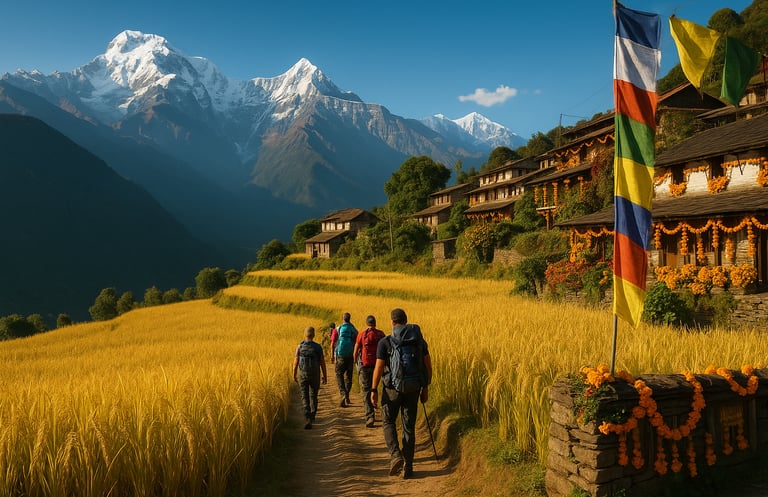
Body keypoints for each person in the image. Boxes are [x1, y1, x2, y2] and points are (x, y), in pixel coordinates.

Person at [370, 308, 432, 479]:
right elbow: (428, 366)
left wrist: (373, 390)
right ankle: (409, 466)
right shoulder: (419, 340)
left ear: (392, 322)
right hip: (413, 389)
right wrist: (425, 388)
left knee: (388, 421)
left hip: (391, 389)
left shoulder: (386, 342)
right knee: (408, 426)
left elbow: (379, 367)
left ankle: (395, 455)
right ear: (406, 320)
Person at [352, 315, 386, 427]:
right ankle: (380, 409)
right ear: (375, 323)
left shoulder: (362, 334)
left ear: (367, 323)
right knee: (375, 387)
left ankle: (370, 416)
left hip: (365, 366)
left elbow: (356, 351)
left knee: (366, 390)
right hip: (378, 366)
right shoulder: (381, 334)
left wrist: (356, 363)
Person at [292, 326, 328, 429]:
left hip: (303, 374)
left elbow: (295, 363)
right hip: (315, 374)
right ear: (314, 335)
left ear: (305, 335)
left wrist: (294, 374)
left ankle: (307, 415)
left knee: (304, 395)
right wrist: (325, 376)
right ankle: (312, 415)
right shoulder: (317, 347)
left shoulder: (300, 346)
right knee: (314, 395)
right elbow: (322, 363)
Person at [331, 312, 358, 407]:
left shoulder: (337, 329)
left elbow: (333, 343)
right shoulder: (353, 329)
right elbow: (357, 342)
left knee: (339, 374)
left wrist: (332, 356)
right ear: (349, 319)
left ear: (343, 319)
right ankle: (347, 395)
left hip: (340, 356)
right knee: (349, 376)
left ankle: (343, 393)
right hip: (350, 356)